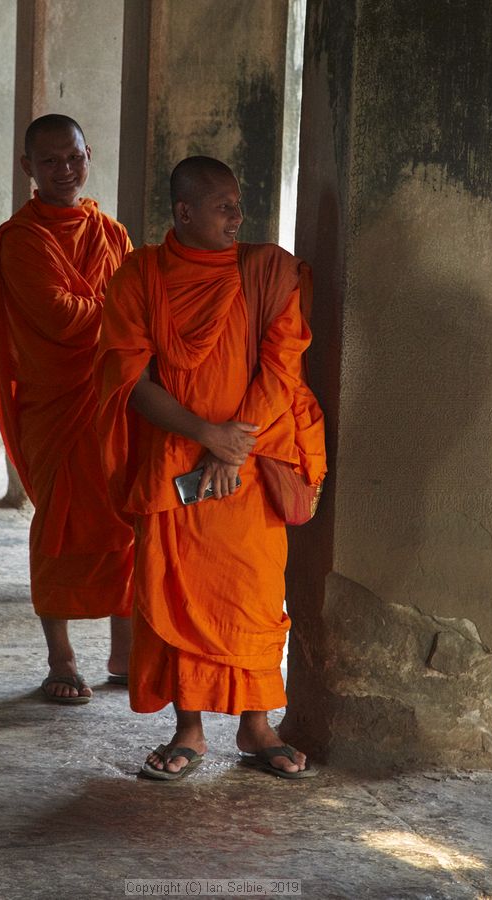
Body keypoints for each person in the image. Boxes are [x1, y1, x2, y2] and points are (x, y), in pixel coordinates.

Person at [95, 156, 326, 777]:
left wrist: (235, 445)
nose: (236, 215)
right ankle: (189, 729)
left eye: (238, 203)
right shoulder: (141, 276)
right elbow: (130, 378)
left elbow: (283, 367)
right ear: (184, 212)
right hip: (178, 463)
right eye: (222, 205)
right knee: (176, 590)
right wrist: (206, 436)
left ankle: (256, 725)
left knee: (251, 592)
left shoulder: (268, 272)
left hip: (248, 465)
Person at [0, 114, 134, 704]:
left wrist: (113, 311)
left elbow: (130, 309)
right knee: (60, 526)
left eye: (73, 157)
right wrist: (116, 311)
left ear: (88, 154)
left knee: (125, 518)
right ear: (28, 169)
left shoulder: (110, 231)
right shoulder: (21, 239)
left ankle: (124, 652)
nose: (64, 170)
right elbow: (61, 318)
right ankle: (62, 657)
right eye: (50, 162)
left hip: (111, 399)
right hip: (57, 404)